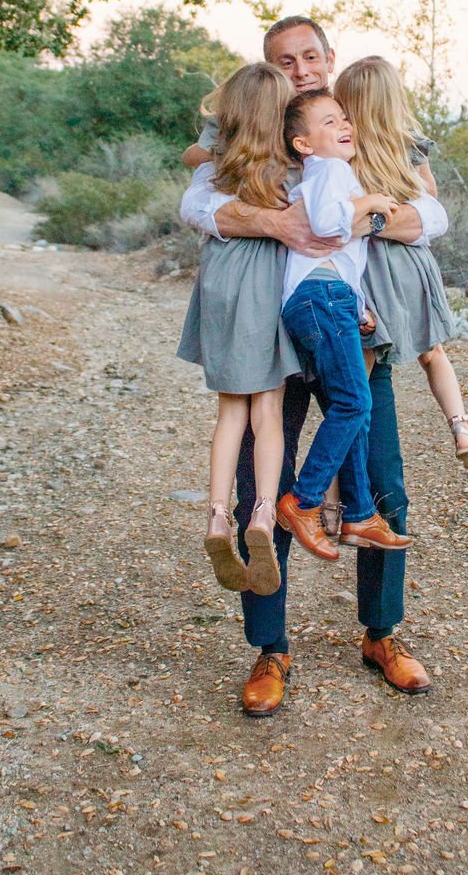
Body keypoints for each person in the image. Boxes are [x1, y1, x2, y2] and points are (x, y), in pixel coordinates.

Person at [179, 16, 435, 714]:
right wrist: (276, 223)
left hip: (359, 323)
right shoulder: (255, 123)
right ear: (269, 67)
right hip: (275, 324)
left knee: (384, 481)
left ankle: (382, 634)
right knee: (262, 484)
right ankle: (271, 648)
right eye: (283, 59)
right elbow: (197, 201)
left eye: (309, 56)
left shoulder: (362, 121)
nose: (299, 68)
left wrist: (368, 221)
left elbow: (431, 213)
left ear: (330, 58)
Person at [335, 56, 468, 469]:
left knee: (359, 378)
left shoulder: (347, 153)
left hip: (371, 268)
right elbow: (430, 198)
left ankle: (334, 491)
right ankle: (462, 427)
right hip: (414, 262)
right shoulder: (409, 144)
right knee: (432, 351)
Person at [177, 63, 298, 598]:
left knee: (231, 411)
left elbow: (195, 199)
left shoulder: (218, 168)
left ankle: (217, 516)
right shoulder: (293, 170)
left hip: (221, 278)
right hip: (266, 281)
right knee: (266, 411)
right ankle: (263, 516)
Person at [274, 89, 412, 559]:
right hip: (320, 295)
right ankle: (303, 501)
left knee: (354, 407)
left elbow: (342, 255)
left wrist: (357, 305)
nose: (343, 126)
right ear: (304, 144)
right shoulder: (331, 170)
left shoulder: (325, 172)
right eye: (329, 122)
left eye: (343, 118)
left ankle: (357, 514)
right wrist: (372, 199)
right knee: (355, 402)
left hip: (327, 297)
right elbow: (331, 229)